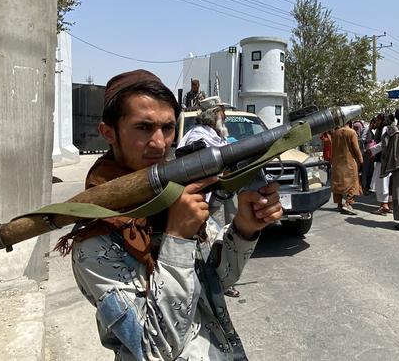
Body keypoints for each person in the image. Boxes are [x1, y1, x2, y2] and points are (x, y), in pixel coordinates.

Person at [62, 69, 282, 360]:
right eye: (143, 128)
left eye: (167, 128)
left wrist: (244, 228)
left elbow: (215, 282)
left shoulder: (172, 197)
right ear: (108, 133)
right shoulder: (95, 238)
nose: (160, 143)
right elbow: (154, 348)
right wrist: (177, 238)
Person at [177, 95, 241, 298]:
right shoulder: (198, 138)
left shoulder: (214, 135)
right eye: (222, 112)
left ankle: (219, 279)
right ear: (214, 115)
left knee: (222, 240)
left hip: (220, 195)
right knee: (212, 243)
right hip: (206, 200)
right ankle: (216, 282)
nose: (225, 116)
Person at [330, 121, 363, 215]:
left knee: (338, 183)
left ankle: (339, 204)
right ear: (350, 122)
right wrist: (361, 158)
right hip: (349, 162)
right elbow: (356, 148)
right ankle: (348, 203)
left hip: (337, 162)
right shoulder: (352, 132)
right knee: (353, 183)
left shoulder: (335, 132)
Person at [369, 113, 394, 215]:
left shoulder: (385, 129)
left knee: (382, 183)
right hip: (389, 161)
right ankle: (388, 205)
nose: (377, 122)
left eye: (378, 120)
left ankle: (384, 206)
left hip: (383, 160)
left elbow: (384, 144)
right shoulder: (390, 128)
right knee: (387, 183)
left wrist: (372, 150)